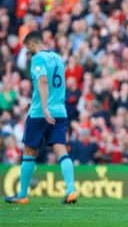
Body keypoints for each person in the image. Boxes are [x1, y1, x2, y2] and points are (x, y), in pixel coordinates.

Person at [5, 31, 78, 204]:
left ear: (31, 44)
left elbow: (43, 81)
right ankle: (71, 190)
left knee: (29, 152)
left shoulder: (38, 58)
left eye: (27, 48)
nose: (27, 52)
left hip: (40, 113)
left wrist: (44, 107)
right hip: (60, 111)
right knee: (61, 150)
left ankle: (22, 195)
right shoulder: (58, 58)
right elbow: (56, 86)